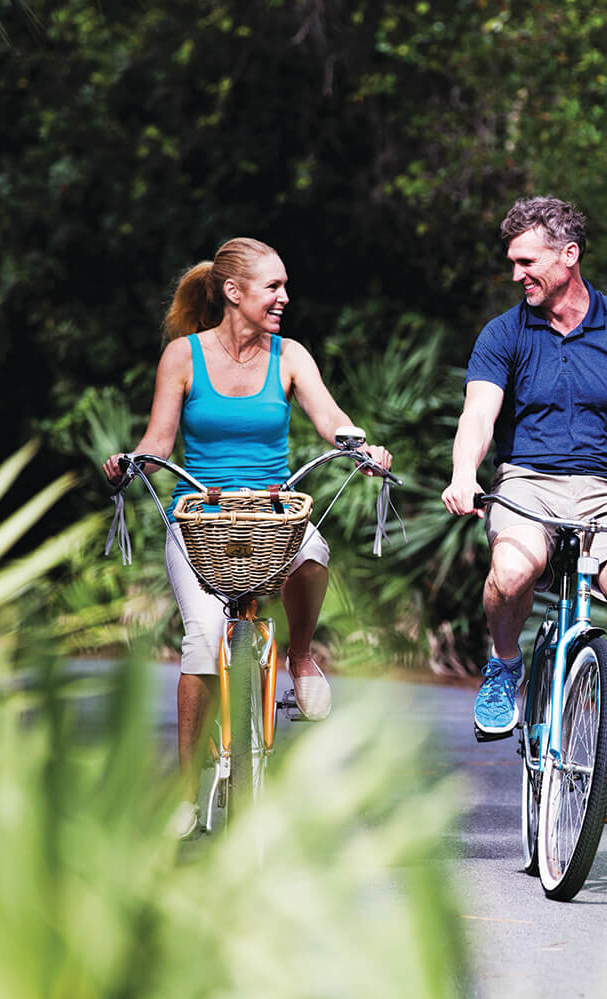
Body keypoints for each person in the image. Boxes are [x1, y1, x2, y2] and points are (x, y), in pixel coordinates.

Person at [104, 237, 392, 838]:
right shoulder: (183, 358)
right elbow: (159, 440)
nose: (285, 297)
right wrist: (133, 461)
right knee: (202, 639)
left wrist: (362, 449)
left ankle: (302, 656)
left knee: (313, 555)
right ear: (233, 293)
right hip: (200, 521)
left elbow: (332, 420)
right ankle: (184, 791)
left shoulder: (290, 357)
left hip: (273, 516)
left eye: (285, 286)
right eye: (273, 287)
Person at [441, 196, 607, 824]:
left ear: (569, 256)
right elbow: (478, 414)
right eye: (511, 262)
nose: (516, 275)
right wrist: (463, 474)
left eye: (526, 261)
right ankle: (506, 665)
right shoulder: (504, 334)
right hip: (527, 483)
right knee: (511, 572)